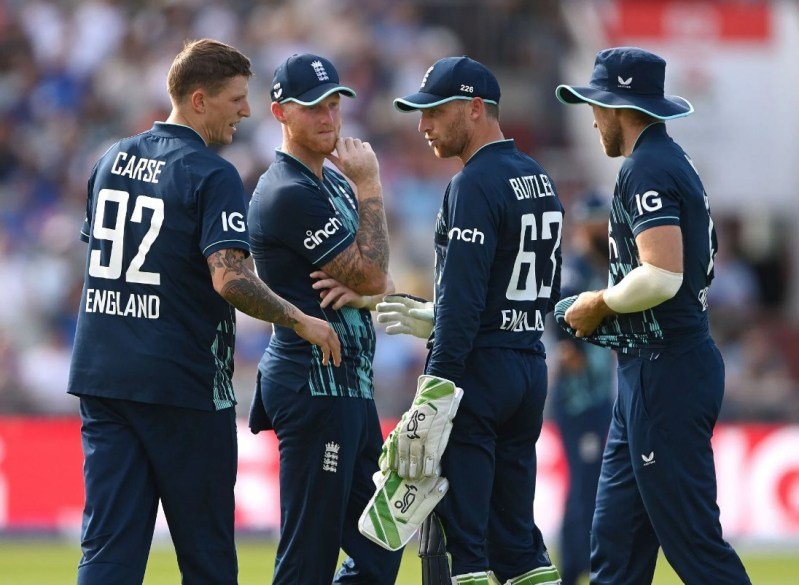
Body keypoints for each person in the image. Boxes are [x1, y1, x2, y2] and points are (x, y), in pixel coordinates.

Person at [67, 39, 340, 585]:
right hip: (183, 385)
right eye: (236, 99)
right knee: (207, 557)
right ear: (198, 100)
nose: (245, 111)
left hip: (104, 376)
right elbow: (230, 278)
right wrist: (299, 319)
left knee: (109, 550)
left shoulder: (110, 158)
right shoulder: (211, 173)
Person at [554, 46, 751, 584]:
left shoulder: (647, 166)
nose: (592, 119)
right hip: (650, 370)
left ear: (618, 108)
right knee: (615, 548)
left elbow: (662, 275)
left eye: (596, 106)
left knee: (694, 547)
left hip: (665, 371)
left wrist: (598, 302)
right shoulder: (667, 159)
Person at [383, 55, 563, 585]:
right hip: (528, 366)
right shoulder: (539, 177)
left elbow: (463, 305)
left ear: (476, 108)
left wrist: (432, 392)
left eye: (436, 111)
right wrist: (436, 317)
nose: (424, 125)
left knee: (466, 547)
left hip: (478, 374)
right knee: (519, 545)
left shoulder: (473, 184)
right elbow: (542, 290)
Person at [247, 53, 402, 584]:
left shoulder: (332, 183)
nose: (328, 118)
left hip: (351, 388)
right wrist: (371, 183)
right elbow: (374, 273)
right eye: (313, 107)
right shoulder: (287, 193)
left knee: (381, 549)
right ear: (280, 113)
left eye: (334, 105)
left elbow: (379, 281)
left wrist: (367, 291)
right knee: (308, 558)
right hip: (314, 386)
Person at [550, 192, 614, 585]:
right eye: (601, 221)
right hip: (579, 399)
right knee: (584, 483)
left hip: (600, 395)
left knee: (593, 483)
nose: (608, 229)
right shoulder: (574, 268)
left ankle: (587, 561)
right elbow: (558, 314)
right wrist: (570, 350)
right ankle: (574, 567)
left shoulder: (600, 267)